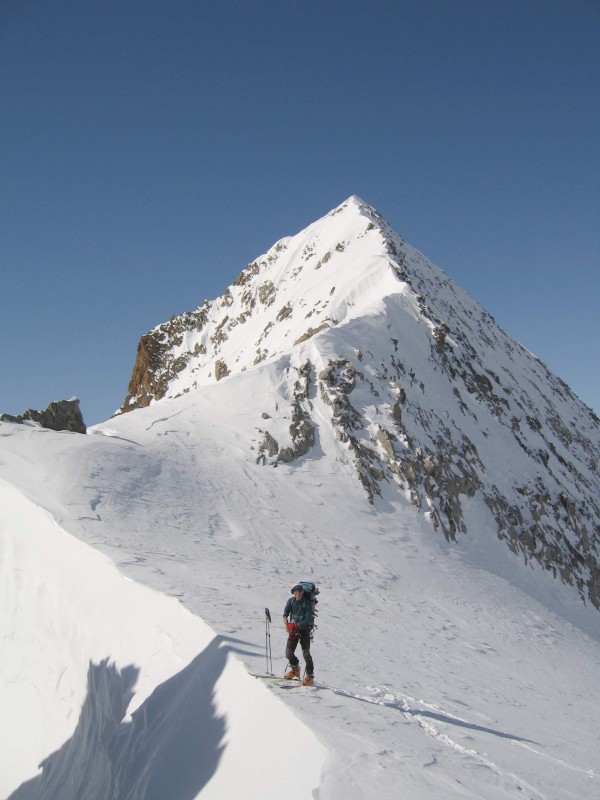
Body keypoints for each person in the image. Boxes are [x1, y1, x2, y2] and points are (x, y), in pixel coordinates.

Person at [283, 583, 315, 685]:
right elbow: (286, 612)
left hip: (304, 630)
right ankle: (295, 669)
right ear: (293, 593)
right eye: (296, 592)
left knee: (306, 654)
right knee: (288, 653)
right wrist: (285, 620)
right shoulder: (291, 601)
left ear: (302, 592)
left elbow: (308, 619)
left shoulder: (307, 603)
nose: (298, 593)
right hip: (293, 630)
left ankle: (310, 676)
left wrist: (295, 625)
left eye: (300, 591)